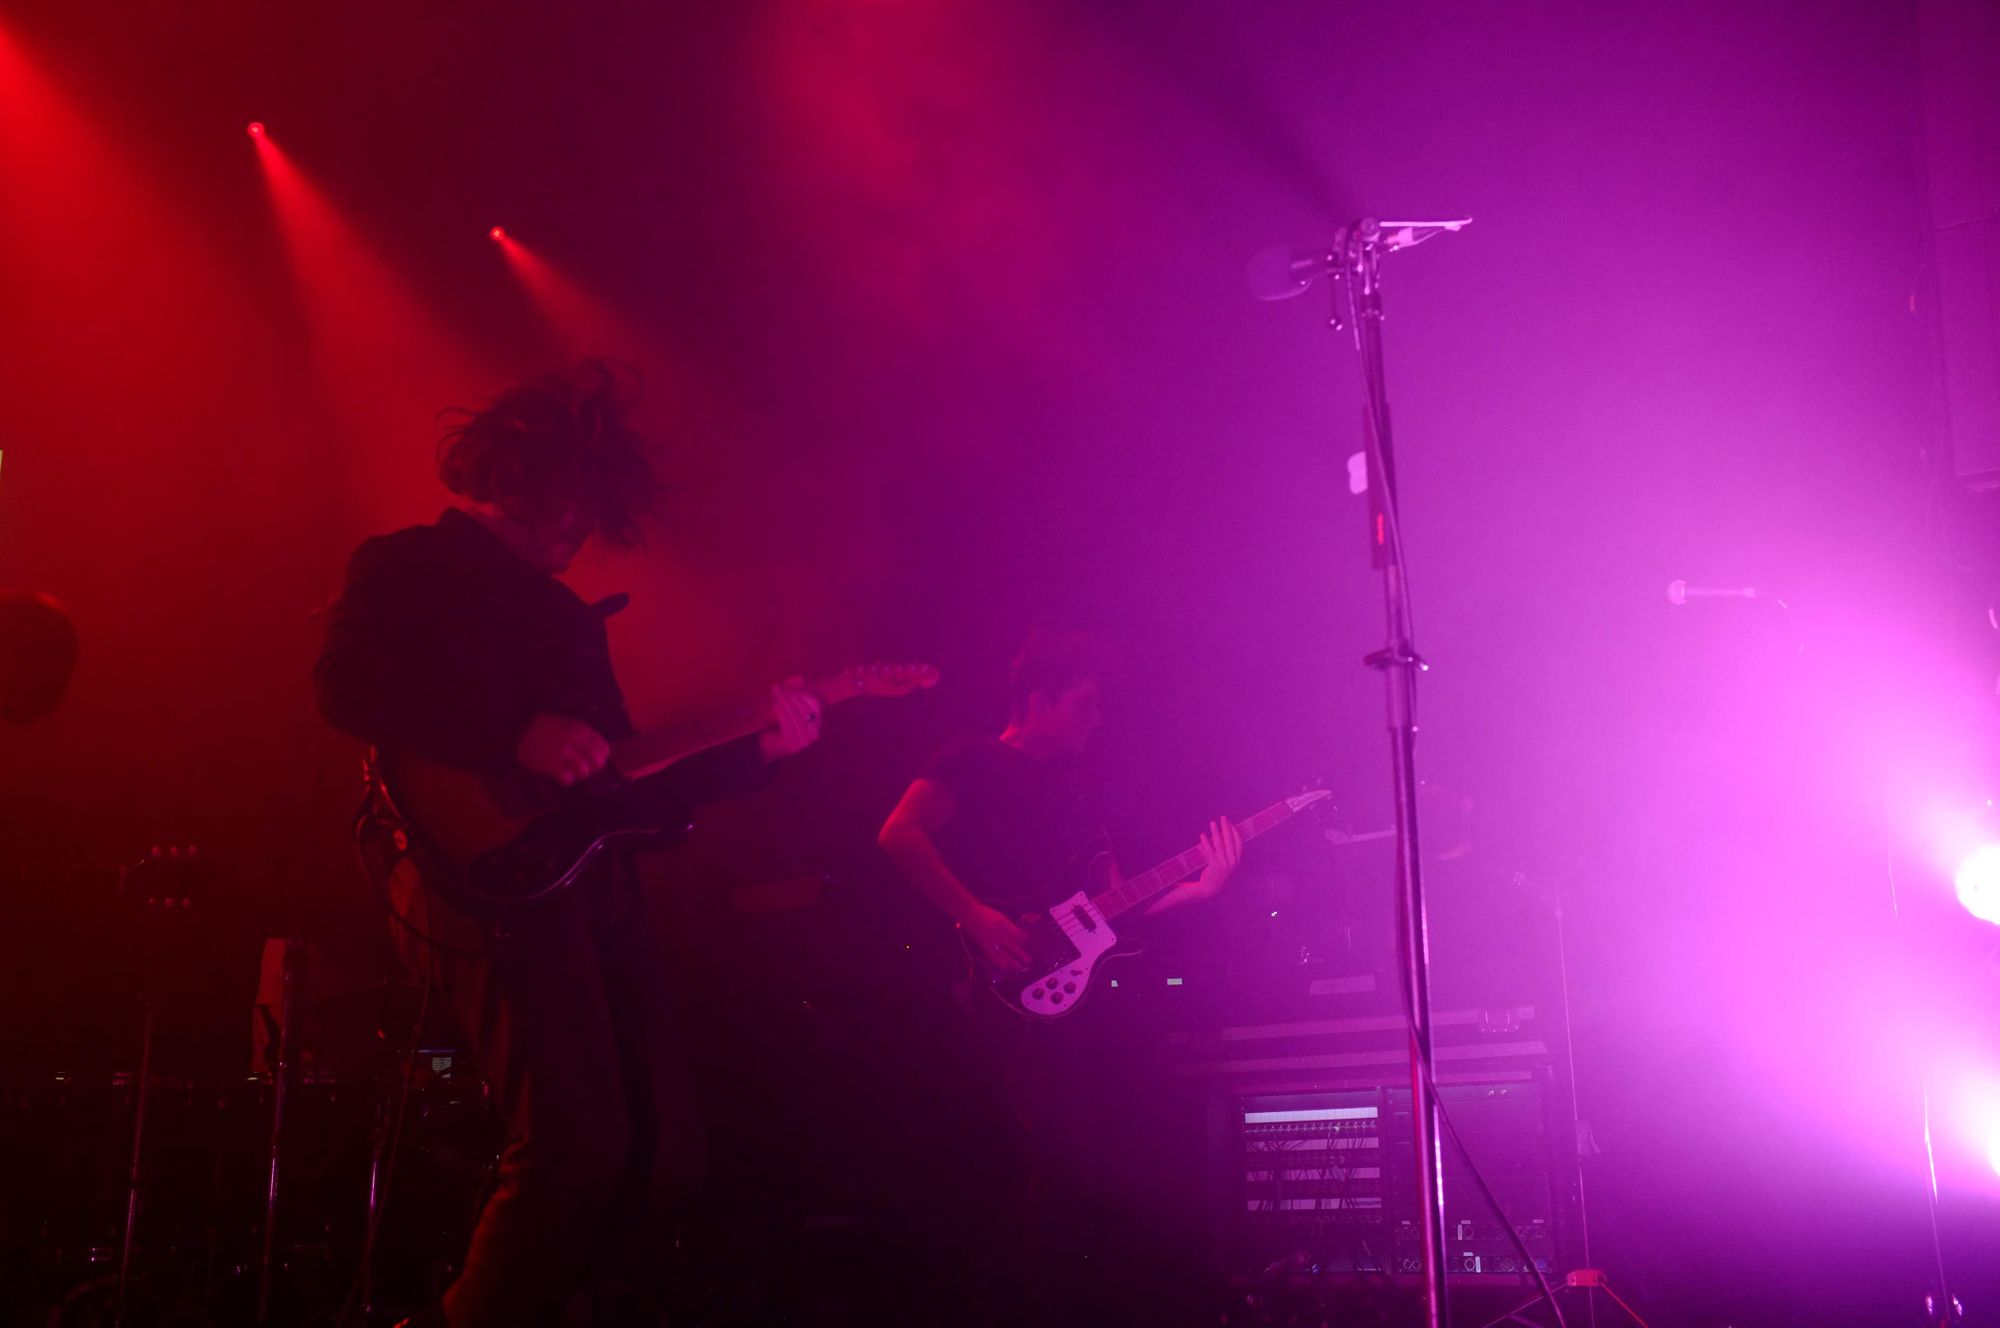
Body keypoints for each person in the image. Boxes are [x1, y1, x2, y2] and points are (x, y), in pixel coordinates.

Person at [315, 361, 821, 1327]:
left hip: (585, 884)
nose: (584, 527)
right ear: (522, 478)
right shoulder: (406, 566)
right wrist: (511, 736)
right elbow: (345, 687)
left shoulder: (562, 616)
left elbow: (623, 780)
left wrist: (758, 750)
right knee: (572, 1142)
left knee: (666, 1145)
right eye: (576, 502)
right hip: (473, 878)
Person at [876, 628, 1243, 1325]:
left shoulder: (1081, 791)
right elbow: (899, 833)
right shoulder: (969, 761)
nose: (1096, 720)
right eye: (1084, 704)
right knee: (1025, 1175)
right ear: (1039, 703)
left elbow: (1112, 904)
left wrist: (1201, 890)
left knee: (1094, 1171)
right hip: (994, 996)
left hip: (1077, 1013)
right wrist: (975, 914)